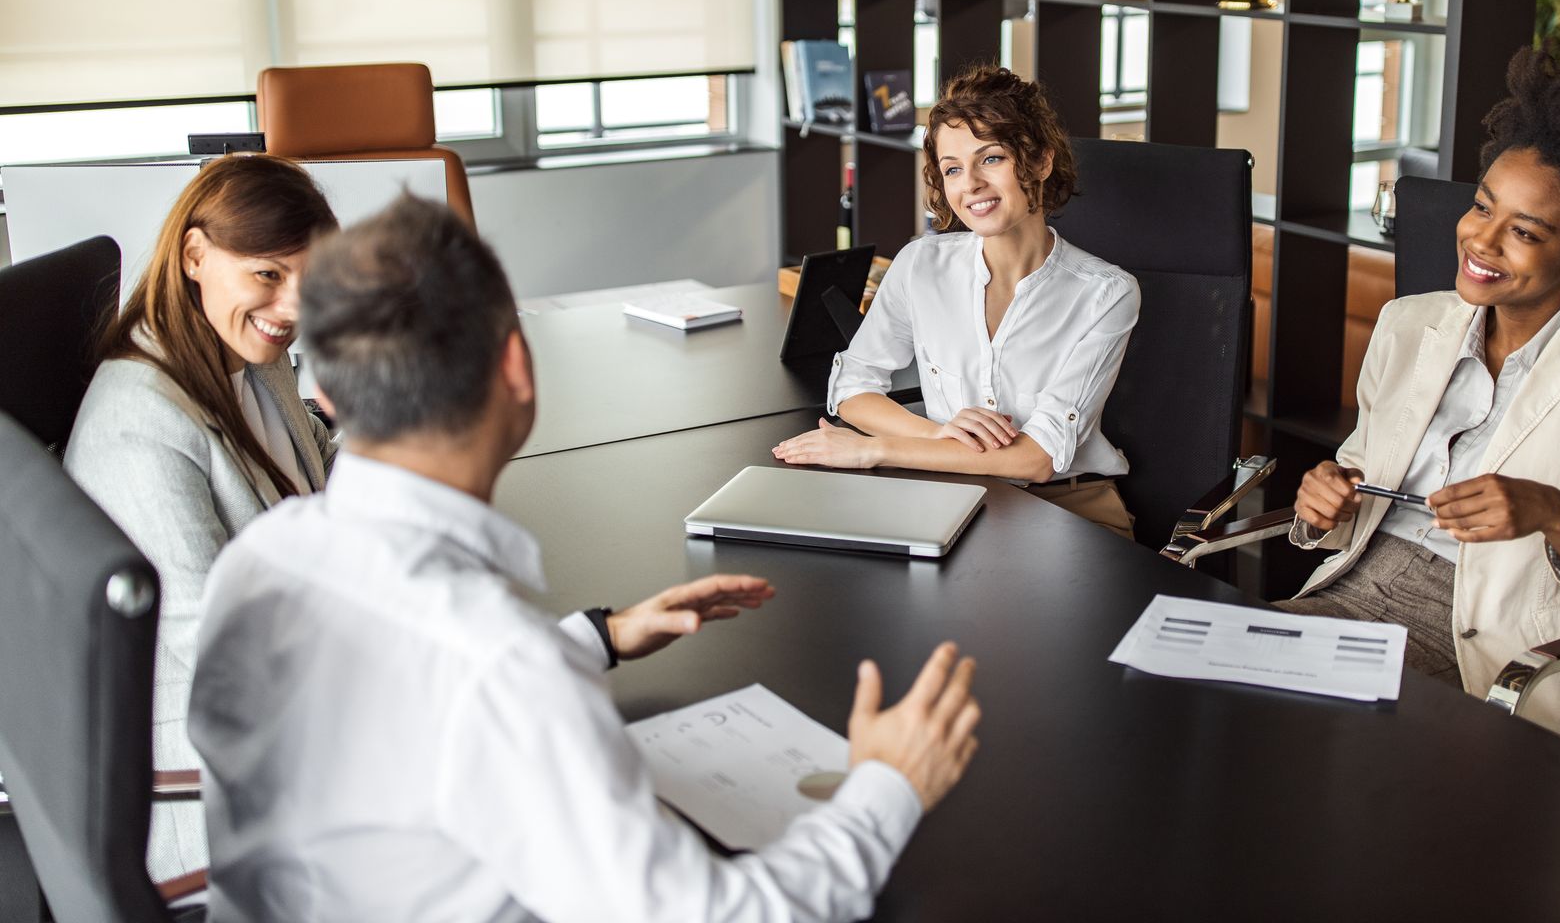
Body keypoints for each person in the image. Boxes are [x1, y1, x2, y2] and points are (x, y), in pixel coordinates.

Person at [187, 195, 981, 921]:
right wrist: (890, 785)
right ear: (516, 368)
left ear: (325, 391)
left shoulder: (262, 557)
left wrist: (591, 638)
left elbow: (393, 715)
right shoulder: (499, 671)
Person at [1278, 50, 1560, 748]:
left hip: (1489, 644)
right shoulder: (1409, 323)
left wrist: (1552, 513)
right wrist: (1324, 501)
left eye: (1526, 232)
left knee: (1293, 744)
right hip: (1345, 597)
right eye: (1482, 207)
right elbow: (1356, 476)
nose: (1483, 240)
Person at [64, 153, 338, 877]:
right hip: (223, 790)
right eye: (268, 274)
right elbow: (225, 657)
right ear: (194, 255)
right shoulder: (141, 428)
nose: (293, 311)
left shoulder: (250, 350)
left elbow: (310, 472)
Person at [773, 65, 1142, 538]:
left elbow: (1037, 459)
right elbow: (852, 387)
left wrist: (876, 447)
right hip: (949, 492)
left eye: (990, 159)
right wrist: (936, 433)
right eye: (952, 168)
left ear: (1041, 162)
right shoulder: (921, 265)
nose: (969, 183)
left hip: (1069, 510)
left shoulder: (1106, 294)